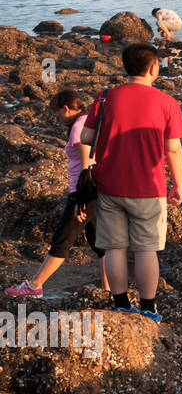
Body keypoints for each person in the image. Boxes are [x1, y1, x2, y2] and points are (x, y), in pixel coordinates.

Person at [81, 43, 182, 322]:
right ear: (153, 68)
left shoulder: (104, 98)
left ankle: (121, 304)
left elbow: (86, 138)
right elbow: (173, 149)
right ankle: (149, 308)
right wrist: (178, 184)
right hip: (148, 188)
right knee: (146, 249)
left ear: (125, 67)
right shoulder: (167, 103)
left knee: (115, 247)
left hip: (109, 185)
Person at [5, 90, 107, 299]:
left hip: (84, 191)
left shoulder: (79, 126)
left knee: (62, 240)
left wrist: (80, 199)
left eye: (57, 113)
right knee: (101, 243)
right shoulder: (90, 121)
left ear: (66, 108)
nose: (58, 118)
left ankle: (34, 286)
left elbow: (86, 164)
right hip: (97, 190)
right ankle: (108, 290)